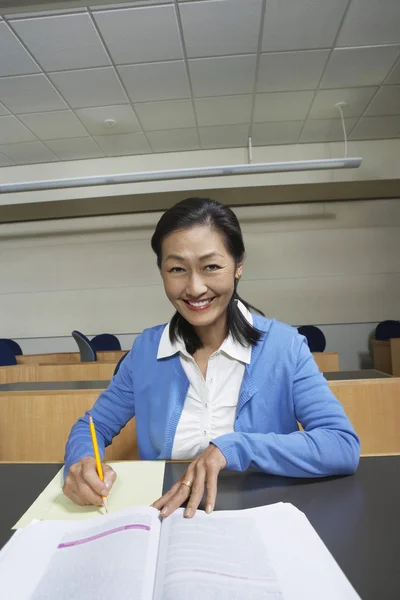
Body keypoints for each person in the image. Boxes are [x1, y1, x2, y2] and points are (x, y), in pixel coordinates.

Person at [63, 197, 360, 518]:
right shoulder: (146, 351)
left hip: (264, 513)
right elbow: (91, 426)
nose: (194, 287)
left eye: (211, 267)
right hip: (166, 513)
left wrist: (234, 447)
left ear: (238, 265)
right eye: (177, 269)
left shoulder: (285, 346)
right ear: (162, 271)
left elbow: (341, 445)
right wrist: (81, 462)